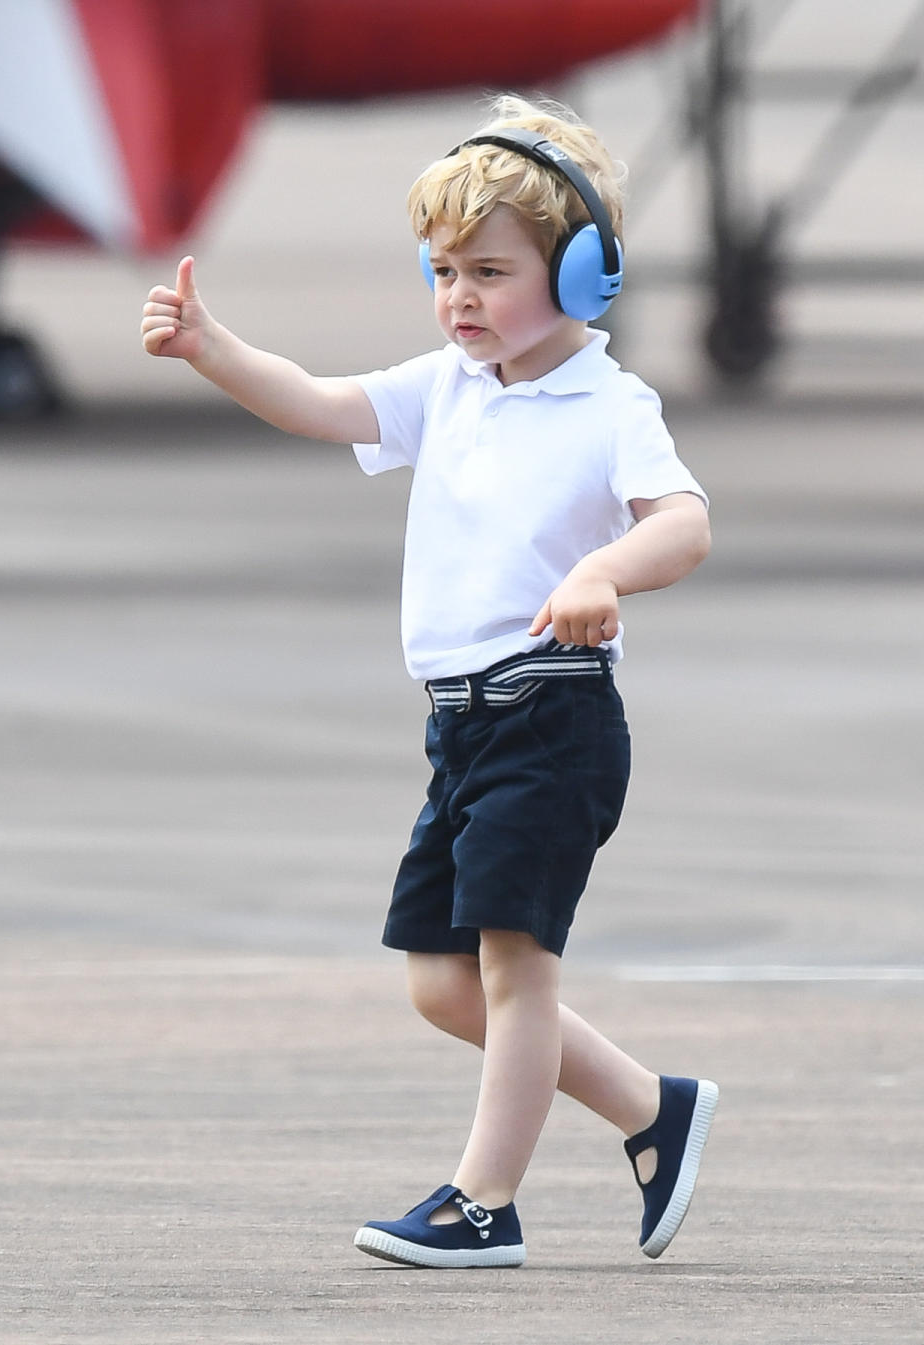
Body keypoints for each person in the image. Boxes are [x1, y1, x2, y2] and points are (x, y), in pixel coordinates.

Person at [141, 93, 718, 1269]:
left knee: (512, 967)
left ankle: (483, 1203)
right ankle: (655, 1108)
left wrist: (607, 567)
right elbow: (316, 401)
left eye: (490, 272)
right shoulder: (447, 386)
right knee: (442, 983)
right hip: (461, 726)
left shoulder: (610, 404)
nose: (460, 297)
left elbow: (687, 523)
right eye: (443, 270)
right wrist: (215, 349)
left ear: (587, 276)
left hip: (553, 715)